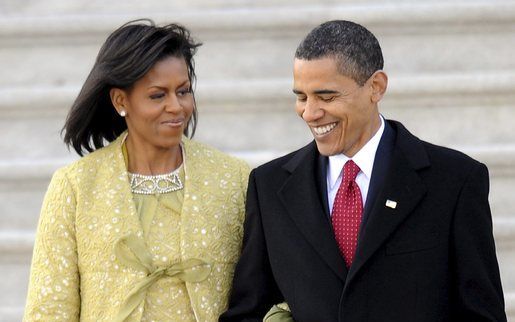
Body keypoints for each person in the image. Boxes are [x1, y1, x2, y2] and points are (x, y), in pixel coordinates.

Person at [220, 20, 506, 321]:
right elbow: (247, 311)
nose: (310, 113)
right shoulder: (269, 187)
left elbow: (482, 314)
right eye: (302, 97)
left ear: (376, 87)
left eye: (327, 97)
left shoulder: (455, 181)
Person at [23, 19, 249, 321]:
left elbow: (261, 294)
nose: (176, 107)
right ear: (120, 100)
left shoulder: (234, 178)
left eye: (183, 91)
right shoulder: (75, 186)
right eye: (158, 95)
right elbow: (49, 308)